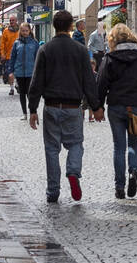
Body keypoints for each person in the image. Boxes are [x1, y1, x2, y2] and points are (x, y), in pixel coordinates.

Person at [28, 10, 98, 203]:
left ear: (53, 26)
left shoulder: (45, 49)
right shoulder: (80, 50)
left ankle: (53, 191)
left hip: (51, 105)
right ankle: (73, 172)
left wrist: (32, 109)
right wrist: (96, 106)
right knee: (75, 144)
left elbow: (36, 82)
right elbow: (89, 81)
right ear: (70, 27)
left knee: (51, 149)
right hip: (73, 107)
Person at [97, 23, 137, 199]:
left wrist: (98, 106)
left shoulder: (110, 57)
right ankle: (134, 171)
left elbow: (101, 84)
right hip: (136, 104)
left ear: (112, 40)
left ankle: (119, 187)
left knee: (119, 147)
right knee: (134, 143)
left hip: (116, 105)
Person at [10, 22, 41, 118]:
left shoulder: (34, 43)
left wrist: (39, 70)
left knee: (30, 93)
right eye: (23, 31)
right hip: (19, 72)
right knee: (22, 93)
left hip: (31, 72)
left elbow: (38, 58)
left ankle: (33, 111)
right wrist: (11, 71)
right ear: (20, 31)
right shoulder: (16, 43)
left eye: (26, 31)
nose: (24, 32)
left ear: (29, 31)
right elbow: (13, 57)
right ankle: (24, 113)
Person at [0, 17, 20, 94]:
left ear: (16, 21)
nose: (11, 22)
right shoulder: (6, 31)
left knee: (18, 72)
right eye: (10, 20)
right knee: (9, 72)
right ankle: (11, 88)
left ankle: (17, 84)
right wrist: (2, 54)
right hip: (9, 56)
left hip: (18, 55)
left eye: (13, 20)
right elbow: (2, 44)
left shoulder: (20, 30)